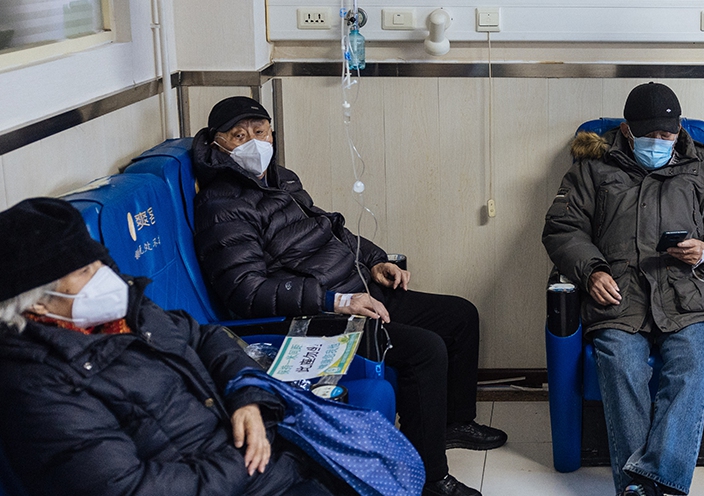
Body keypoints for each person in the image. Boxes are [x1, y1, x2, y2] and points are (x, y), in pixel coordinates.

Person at [190, 96, 505, 496]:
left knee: (460, 316)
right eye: (239, 136)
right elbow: (245, 292)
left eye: (260, 131)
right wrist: (335, 301)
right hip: (316, 316)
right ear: (217, 144)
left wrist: (374, 260)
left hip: (356, 288)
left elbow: (330, 228)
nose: (253, 142)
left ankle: (452, 424)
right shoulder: (221, 205)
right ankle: (430, 480)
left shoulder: (281, 179)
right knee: (424, 349)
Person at [0, 197, 345, 496]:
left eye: (98, 262)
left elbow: (204, 337)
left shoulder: (126, 312)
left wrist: (248, 398)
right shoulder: (36, 385)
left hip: (269, 464)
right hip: (247, 476)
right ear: (37, 303)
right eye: (85, 272)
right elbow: (127, 487)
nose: (105, 277)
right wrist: (246, 458)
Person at [542, 82, 704, 496]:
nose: (660, 142)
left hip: (689, 296)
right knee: (621, 365)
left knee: (691, 364)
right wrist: (591, 271)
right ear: (628, 131)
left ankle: (648, 486)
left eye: (668, 134)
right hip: (618, 296)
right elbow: (562, 229)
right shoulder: (593, 168)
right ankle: (646, 487)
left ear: (679, 130)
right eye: (650, 135)